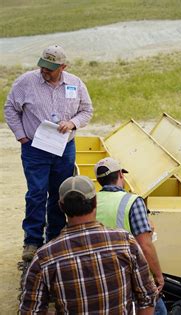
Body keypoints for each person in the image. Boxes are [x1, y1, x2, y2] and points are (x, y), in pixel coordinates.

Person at [4, 45, 93, 262]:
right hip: (35, 148)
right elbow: (10, 109)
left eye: (51, 68)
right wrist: (21, 135)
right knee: (36, 192)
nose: (45, 70)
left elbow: (87, 110)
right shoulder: (26, 82)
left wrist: (72, 123)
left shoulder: (75, 83)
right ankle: (32, 241)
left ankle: (54, 238)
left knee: (59, 193)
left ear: (63, 66)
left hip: (64, 148)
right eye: (43, 66)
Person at [19, 175, 158, 314]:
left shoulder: (45, 258)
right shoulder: (125, 242)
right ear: (95, 201)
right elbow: (148, 298)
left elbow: (31, 311)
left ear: (61, 206)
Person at [94, 157, 167, 315]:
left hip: (97, 272)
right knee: (159, 310)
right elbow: (145, 245)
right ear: (120, 174)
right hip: (126, 273)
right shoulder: (132, 201)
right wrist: (158, 276)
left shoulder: (91, 201)